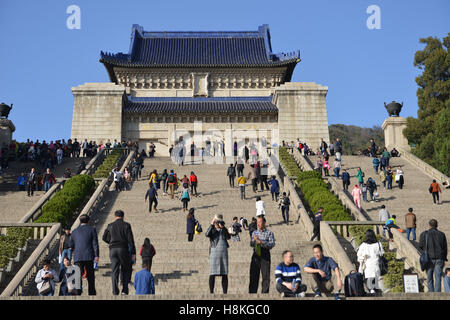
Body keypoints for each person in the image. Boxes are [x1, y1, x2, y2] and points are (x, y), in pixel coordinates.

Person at [102, 210, 136, 295]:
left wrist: (110, 242)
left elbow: (104, 237)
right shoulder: (126, 225)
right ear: (123, 217)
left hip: (113, 250)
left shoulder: (110, 225)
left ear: (115, 216)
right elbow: (130, 240)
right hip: (123, 248)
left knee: (114, 270)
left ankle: (115, 291)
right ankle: (124, 290)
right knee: (126, 268)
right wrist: (133, 253)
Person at [69, 214, 99, 296]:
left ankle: (78, 293)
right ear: (88, 221)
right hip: (89, 256)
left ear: (80, 221)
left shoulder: (74, 231)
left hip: (78, 256)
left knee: (78, 276)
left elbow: (70, 244)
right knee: (90, 276)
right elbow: (95, 244)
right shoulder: (92, 230)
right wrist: (96, 255)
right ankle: (92, 293)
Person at [419, 219, 448, 292]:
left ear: (429, 225)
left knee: (429, 277)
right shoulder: (442, 234)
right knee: (438, 277)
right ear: (437, 225)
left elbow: (420, 246)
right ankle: (437, 293)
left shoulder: (424, 234)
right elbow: (445, 248)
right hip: (439, 258)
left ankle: (431, 293)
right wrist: (444, 259)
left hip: (429, 258)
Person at [249, 216, 276, 294]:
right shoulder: (254, 233)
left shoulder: (269, 233)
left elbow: (271, 244)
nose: (258, 224)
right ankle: (252, 292)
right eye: (257, 222)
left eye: (260, 222)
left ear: (264, 223)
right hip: (256, 254)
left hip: (265, 254)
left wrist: (262, 243)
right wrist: (254, 241)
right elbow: (251, 244)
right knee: (253, 274)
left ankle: (265, 293)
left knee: (266, 275)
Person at [206, 214, 231, 294]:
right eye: (217, 221)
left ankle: (225, 292)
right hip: (214, 252)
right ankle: (211, 292)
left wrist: (222, 227)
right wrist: (211, 224)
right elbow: (207, 234)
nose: (217, 222)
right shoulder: (212, 229)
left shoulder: (224, 229)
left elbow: (228, 237)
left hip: (223, 252)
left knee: (224, 273)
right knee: (212, 273)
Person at [356, 229, 384, 295]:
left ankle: (371, 290)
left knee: (368, 278)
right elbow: (382, 253)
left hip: (368, 264)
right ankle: (375, 289)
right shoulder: (378, 244)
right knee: (375, 277)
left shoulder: (363, 245)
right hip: (376, 263)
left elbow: (359, 255)